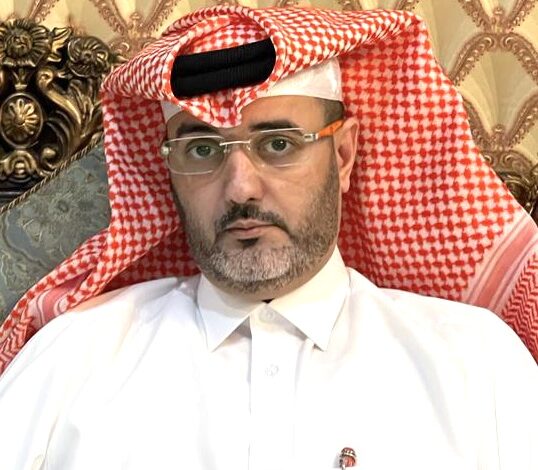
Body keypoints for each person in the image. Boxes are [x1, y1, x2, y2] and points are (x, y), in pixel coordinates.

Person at [0, 5, 537, 469]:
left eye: (278, 143)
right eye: (202, 149)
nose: (240, 188)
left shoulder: (476, 365)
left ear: (343, 155)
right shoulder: (72, 360)